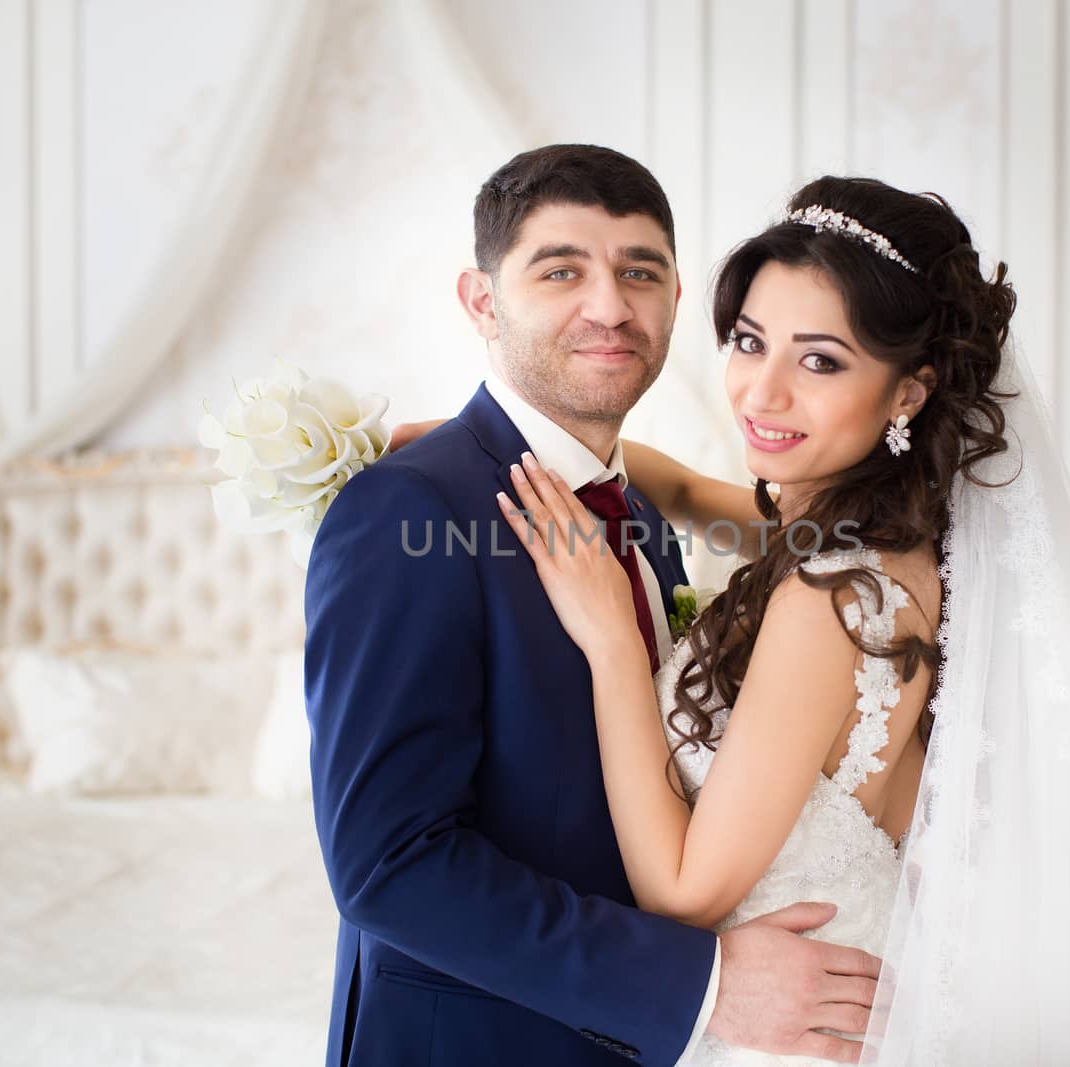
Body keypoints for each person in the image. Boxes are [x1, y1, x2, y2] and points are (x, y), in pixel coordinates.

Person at [475, 175, 1070, 1064]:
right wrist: (482, 442)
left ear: (907, 392)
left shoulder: (831, 603)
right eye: (750, 341)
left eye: (820, 360)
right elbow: (685, 489)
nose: (762, 392)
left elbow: (681, 894)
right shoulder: (891, 544)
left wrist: (613, 646)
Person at [303, 145, 885, 1067]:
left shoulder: (642, 515)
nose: (610, 305)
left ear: (677, 303)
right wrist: (702, 985)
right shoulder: (411, 508)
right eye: (561, 269)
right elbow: (388, 866)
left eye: (639, 272)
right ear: (482, 302)